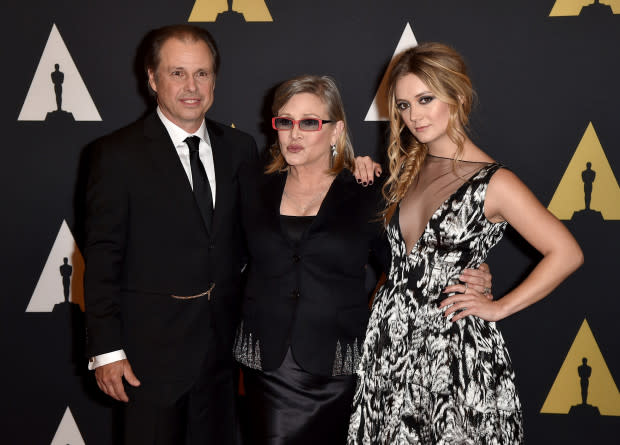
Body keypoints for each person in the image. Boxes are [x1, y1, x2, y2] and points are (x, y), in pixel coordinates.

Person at [232, 75, 492, 444]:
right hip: (267, 365)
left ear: (336, 130)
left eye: (310, 122)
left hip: (339, 365)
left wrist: (472, 274)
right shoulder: (251, 182)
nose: (295, 134)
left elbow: (406, 266)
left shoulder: (369, 191)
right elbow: (223, 254)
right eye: (285, 121)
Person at [348, 43, 583, 443]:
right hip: (389, 349)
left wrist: (499, 307)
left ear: (456, 96)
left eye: (425, 99)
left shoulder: (495, 182)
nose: (414, 115)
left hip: (453, 354)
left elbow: (566, 253)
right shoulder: (405, 171)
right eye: (403, 105)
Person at [83, 24, 257, 444]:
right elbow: (103, 258)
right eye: (177, 73)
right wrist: (107, 350)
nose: (191, 87)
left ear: (214, 79)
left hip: (223, 357)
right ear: (152, 79)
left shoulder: (241, 148)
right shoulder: (116, 155)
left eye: (202, 73)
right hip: (149, 360)